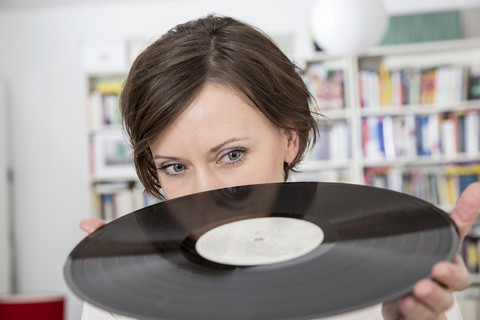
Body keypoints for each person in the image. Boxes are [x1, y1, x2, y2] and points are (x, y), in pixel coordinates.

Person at [80, 15, 480, 320]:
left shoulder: (403, 280)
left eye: (232, 155)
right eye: (174, 167)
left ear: (289, 138)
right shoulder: (120, 293)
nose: (203, 195)